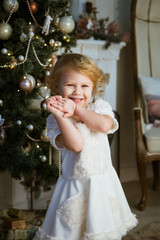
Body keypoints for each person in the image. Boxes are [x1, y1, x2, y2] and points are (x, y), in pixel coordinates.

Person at [34, 53, 138, 240]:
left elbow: (104, 126)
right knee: (72, 232)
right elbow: (76, 145)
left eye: (84, 86)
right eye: (70, 85)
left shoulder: (99, 107)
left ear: (93, 87)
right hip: (74, 188)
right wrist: (60, 114)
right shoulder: (54, 120)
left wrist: (76, 110)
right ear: (57, 86)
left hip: (102, 184)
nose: (77, 92)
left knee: (103, 230)